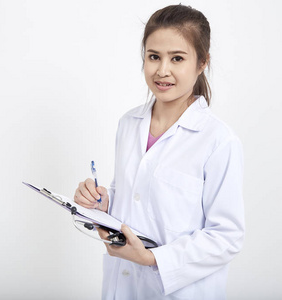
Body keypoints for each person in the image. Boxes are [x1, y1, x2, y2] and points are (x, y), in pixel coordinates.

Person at [74, 4, 244, 300]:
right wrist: (102, 204)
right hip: (122, 286)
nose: (162, 70)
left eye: (177, 58)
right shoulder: (129, 124)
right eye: (154, 57)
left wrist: (153, 259)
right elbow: (132, 196)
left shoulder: (219, 140)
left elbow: (226, 237)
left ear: (202, 62)